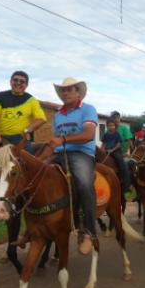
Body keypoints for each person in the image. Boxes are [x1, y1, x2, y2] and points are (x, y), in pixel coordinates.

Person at [49, 77, 99, 255]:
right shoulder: (57, 115)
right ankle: (33, 227)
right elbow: (55, 139)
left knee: (85, 184)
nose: (66, 93)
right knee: (35, 174)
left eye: (70, 89)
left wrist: (62, 140)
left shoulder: (88, 109)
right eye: (64, 90)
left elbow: (88, 134)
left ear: (78, 93)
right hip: (59, 154)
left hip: (82, 153)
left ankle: (89, 233)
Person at [0, 70, 47, 151]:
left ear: (26, 85)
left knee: (28, 155)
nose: (18, 83)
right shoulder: (1, 96)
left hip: (18, 137)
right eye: (15, 80)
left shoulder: (31, 100)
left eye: (22, 81)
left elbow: (42, 119)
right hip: (0, 136)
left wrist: (27, 130)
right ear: (10, 81)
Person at [100, 118, 131, 190]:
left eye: (113, 125)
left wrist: (112, 150)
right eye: (110, 125)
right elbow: (103, 144)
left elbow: (119, 144)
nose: (111, 127)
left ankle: (125, 180)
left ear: (115, 126)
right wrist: (102, 150)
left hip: (116, 151)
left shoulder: (117, 134)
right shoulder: (106, 135)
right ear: (107, 126)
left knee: (120, 161)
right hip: (107, 151)